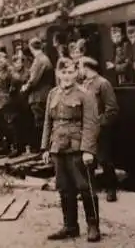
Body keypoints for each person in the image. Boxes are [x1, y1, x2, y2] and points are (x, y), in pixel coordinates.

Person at [41, 58, 101, 242]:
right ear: (58, 74)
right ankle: (70, 226)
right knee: (64, 189)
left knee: (85, 187)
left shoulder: (85, 94)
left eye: (70, 72)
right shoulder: (53, 94)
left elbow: (91, 124)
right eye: (63, 73)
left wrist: (88, 150)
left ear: (76, 73)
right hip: (58, 148)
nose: (66, 76)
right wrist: (45, 147)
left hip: (77, 148)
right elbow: (48, 122)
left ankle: (93, 226)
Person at [80, 56, 120, 202]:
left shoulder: (103, 84)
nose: (79, 70)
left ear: (86, 68)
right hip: (87, 129)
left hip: (101, 130)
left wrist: (99, 123)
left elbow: (112, 109)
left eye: (80, 67)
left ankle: (111, 190)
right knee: (87, 162)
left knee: (105, 160)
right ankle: (90, 191)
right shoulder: (85, 84)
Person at [21, 37, 54, 151]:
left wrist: (25, 87)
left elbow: (33, 80)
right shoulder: (45, 58)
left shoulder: (39, 60)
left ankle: (44, 149)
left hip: (39, 96)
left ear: (31, 48)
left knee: (41, 123)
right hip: (45, 94)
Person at [9, 53, 35, 156]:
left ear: (22, 62)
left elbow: (29, 85)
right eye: (15, 63)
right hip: (16, 103)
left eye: (18, 62)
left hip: (26, 101)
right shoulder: (13, 74)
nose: (17, 65)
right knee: (17, 125)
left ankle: (29, 146)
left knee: (28, 124)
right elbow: (11, 89)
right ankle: (19, 147)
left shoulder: (27, 73)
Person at [0, 51, 17, 156]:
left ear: (6, 60)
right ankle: (4, 145)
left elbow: (13, 86)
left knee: (9, 124)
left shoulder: (10, 71)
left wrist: (8, 96)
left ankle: (13, 146)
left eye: (1, 61)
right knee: (0, 124)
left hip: (8, 102)